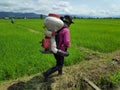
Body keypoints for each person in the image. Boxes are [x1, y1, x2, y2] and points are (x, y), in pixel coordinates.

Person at [43, 15, 74, 81]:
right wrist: (68, 45)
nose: (70, 25)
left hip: (54, 48)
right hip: (61, 50)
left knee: (59, 62)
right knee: (60, 64)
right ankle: (46, 73)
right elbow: (66, 42)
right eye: (70, 23)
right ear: (67, 22)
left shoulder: (57, 28)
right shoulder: (66, 30)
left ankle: (60, 73)